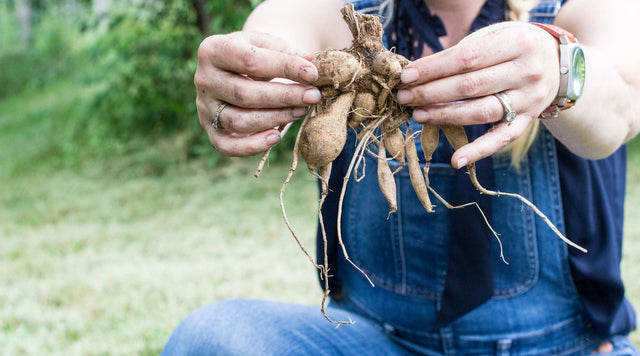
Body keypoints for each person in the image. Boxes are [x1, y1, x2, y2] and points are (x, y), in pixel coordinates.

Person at [162, 0, 640, 354]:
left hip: (561, 345)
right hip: (375, 342)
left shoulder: (581, 8)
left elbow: (622, 106)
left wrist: (561, 70)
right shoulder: (341, 11)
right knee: (211, 338)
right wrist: (248, 78)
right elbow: (273, 30)